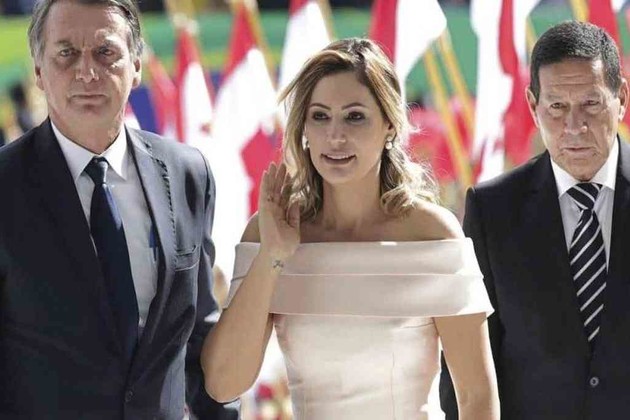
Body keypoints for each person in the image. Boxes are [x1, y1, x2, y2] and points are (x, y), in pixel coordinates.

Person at [201, 38, 499, 419]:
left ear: (389, 125)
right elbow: (223, 384)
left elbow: (476, 396)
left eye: (354, 116)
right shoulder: (270, 232)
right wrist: (272, 256)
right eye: (320, 116)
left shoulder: (432, 235)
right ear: (304, 128)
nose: (335, 136)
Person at [0, 0, 235, 418]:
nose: (87, 72)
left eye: (105, 52)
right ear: (38, 70)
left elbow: (199, 333)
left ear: (136, 65)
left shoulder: (187, 174)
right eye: (66, 53)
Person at [440, 21, 630, 419]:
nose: (574, 126)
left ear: (622, 98)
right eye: (557, 107)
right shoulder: (492, 212)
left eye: (591, 104)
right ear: (533, 106)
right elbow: (465, 378)